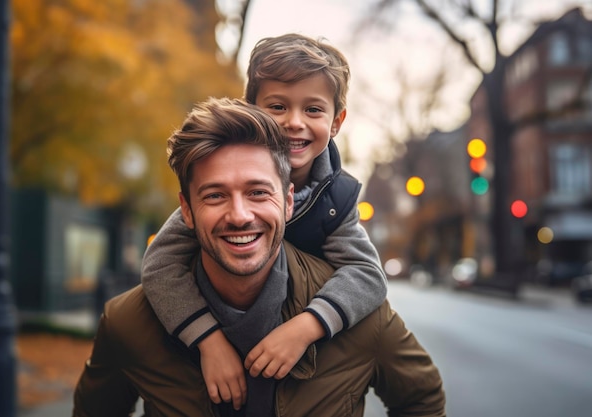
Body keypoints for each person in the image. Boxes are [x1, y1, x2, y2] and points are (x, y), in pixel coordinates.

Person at [73, 97, 445, 417]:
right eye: (215, 195)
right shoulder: (127, 323)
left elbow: (422, 398)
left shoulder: (360, 314)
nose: (239, 215)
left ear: (287, 202)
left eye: (257, 193)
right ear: (185, 211)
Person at [142, 33, 387, 410]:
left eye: (313, 110)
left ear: (336, 121)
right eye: (277, 106)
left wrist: (305, 328)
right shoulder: (225, 188)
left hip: (298, 367)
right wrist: (208, 340)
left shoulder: (336, 200)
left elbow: (367, 274)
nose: (294, 122)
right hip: (223, 338)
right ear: (251, 109)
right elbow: (160, 264)